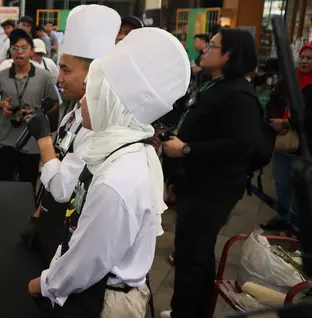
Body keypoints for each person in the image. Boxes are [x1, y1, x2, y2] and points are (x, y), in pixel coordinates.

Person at [26, 27, 190, 318]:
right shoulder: (118, 150)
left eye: (93, 94)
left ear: (111, 103)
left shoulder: (117, 178)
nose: (82, 102)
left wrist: (44, 284)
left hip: (103, 301)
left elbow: (86, 262)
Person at [161, 29, 271, 318]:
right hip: (194, 181)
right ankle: (185, 309)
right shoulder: (216, 85)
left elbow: (241, 145)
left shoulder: (239, 94)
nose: (205, 50)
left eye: (212, 46)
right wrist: (175, 176)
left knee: (194, 254)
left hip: (214, 187)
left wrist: (186, 151)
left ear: (228, 54)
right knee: (190, 251)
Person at [27, 5, 120, 265]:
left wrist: (44, 139)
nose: (59, 78)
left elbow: (62, 188)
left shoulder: (99, 128)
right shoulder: (76, 110)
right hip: (50, 219)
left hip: (69, 233)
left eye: (66, 70)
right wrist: (38, 215)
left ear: (93, 75)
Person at [0, 29, 60, 185]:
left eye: (24, 48)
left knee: (28, 185)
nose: (19, 52)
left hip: (32, 142)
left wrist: (37, 114)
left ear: (32, 51)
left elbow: (54, 104)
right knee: (2, 185)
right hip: (5, 140)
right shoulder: (2, 75)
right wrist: (0, 104)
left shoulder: (43, 76)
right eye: (15, 48)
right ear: (10, 51)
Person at [262, 43, 312, 231]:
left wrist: (288, 123)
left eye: (309, 58)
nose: (304, 61)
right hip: (282, 140)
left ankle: (298, 224)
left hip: (306, 144)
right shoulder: (290, 78)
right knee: (282, 182)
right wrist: (272, 121)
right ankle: (281, 216)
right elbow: (274, 99)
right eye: (302, 57)